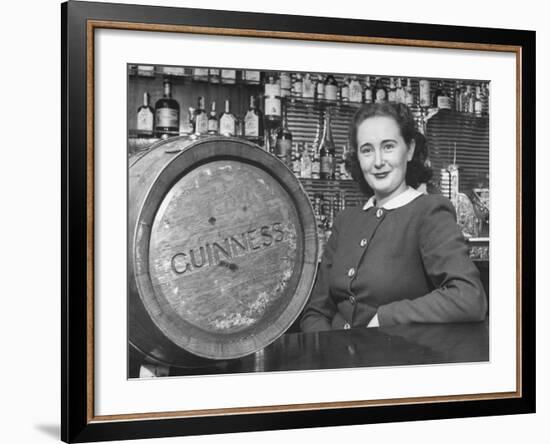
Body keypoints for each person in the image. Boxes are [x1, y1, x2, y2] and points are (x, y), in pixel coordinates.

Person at [300, 102, 487, 332]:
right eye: (367, 150)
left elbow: (469, 297)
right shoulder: (345, 221)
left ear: (409, 149)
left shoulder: (429, 212)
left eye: (388, 147)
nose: (378, 161)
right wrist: (330, 355)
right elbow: (315, 312)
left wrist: (385, 317)